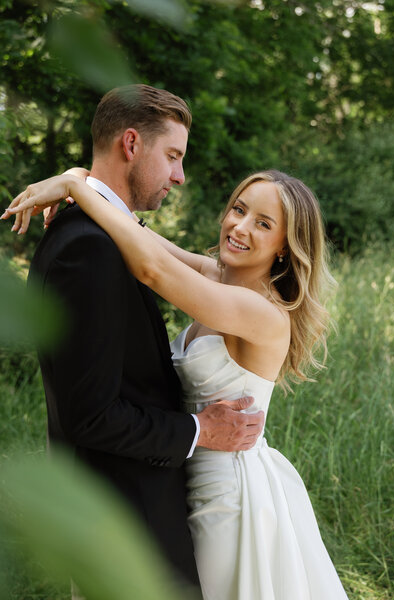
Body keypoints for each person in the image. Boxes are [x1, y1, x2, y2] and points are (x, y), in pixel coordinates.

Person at [3, 166, 349, 599]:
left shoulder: (261, 312)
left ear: (285, 247)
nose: (240, 227)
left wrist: (73, 187)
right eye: (238, 210)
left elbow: (152, 270)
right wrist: (85, 179)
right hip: (184, 470)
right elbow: (143, 239)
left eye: (263, 224)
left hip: (227, 492)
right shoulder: (218, 278)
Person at [0, 85, 266, 594]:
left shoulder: (95, 234)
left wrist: (76, 181)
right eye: (172, 156)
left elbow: (159, 259)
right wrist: (198, 430)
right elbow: (90, 415)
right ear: (130, 144)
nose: (179, 176)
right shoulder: (91, 250)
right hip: (124, 518)